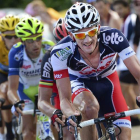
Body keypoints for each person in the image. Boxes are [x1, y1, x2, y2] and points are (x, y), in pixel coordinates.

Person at [50, 2, 140, 140]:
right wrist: (70, 113)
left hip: (109, 81)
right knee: (89, 108)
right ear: (72, 35)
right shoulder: (60, 52)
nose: (87, 39)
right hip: (80, 83)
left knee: (124, 137)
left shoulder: (113, 36)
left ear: (98, 28)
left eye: (91, 32)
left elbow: (137, 72)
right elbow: (64, 99)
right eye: (80, 35)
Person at [7, 17, 55, 140]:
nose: (36, 44)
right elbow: (12, 89)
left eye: (38, 38)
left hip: (46, 89)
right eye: (30, 41)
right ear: (23, 41)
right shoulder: (16, 53)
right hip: (25, 92)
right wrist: (16, 102)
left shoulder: (49, 47)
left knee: (56, 127)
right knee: (28, 131)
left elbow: (58, 78)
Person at [38, 18, 75, 140]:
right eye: (62, 44)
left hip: (82, 86)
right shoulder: (49, 57)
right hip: (60, 92)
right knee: (68, 134)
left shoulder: (87, 48)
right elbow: (43, 99)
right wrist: (54, 112)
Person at [113, 0, 140, 126]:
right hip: (129, 58)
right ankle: (135, 115)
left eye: (120, 8)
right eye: (116, 9)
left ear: (126, 7)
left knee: (125, 86)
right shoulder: (128, 19)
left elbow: (131, 39)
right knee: (130, 87)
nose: (118, 11)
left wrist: (129, 56)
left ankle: (135, 115)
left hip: (131, 58)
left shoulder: (132, 18)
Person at [0, 15, 20, 140]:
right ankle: (7, 131)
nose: (13, 39)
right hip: (2, 73)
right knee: (4, 94)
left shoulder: (25, 43)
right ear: (2, 36)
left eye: (16, 35)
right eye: (8, 36)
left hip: (19, 72)